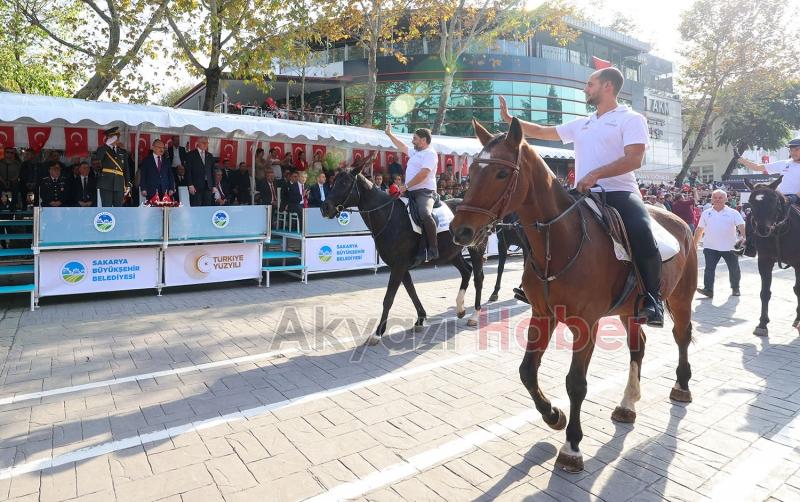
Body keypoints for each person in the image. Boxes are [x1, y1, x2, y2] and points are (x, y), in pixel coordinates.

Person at [499, 66, 663, 326]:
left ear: (607, 86)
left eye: (590, 84)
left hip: (620, 192)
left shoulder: (631, 118)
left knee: (642, 231)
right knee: (534, 224)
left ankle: (653, 300)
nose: (585, 89)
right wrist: (512, 122)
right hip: (583, 194)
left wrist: (596, 173)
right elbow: (544, 132)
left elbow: (634, 158)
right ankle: (531, 284)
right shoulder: (583, 122)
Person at [385, 125, 439, 265]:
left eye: (415, 138)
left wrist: (406, 186)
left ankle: (433, 248)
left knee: (424, 213)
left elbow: (423, 174)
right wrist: (390, 135)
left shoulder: (430, 154)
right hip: (410, 192)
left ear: (423, 140)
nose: (412, 141)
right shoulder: (416, 152)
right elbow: (402, 146)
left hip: (425, 192)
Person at [694, 189, 746, 298]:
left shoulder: (733, 213)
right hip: (710, 247)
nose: (717, 200)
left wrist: (745, 239)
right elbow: (699, 229)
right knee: (709, 269)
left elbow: (741, 226)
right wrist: (694, 244)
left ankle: (735, 288)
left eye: (720, 197)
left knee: (734, 268)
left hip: (729, 247)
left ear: (726, 199)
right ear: (712, 199)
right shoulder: (706, 213)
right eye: (715, 197)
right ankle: (708, 290)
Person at [95, 127, 130, 207]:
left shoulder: (122, 152)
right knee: (107, 207)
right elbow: (98, 158)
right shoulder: (102, 149)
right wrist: (107, 144)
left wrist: (128, 184)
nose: (116, 139)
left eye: (117, 137)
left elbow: (126, 169)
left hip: (119, 183)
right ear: (109, 138)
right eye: (114, 137)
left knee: (118, 208)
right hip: (106, 183)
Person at [185, 137, 215, 206]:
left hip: (208, 185)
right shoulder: (191, 154)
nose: (205, 144)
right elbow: (188, 171)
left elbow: (212, 171)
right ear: (198, 143)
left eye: (206, 143)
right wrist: (190, 185)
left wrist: (214, 185)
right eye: (203, 142)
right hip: (196, 186)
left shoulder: (210, 155)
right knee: (196, 205)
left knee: (207, 206)